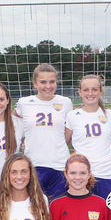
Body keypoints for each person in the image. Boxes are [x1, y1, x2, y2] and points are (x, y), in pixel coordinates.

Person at [15, 64, 73, 199]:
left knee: (57, 209)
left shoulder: (65, 102)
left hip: (60, 163)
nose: (48, 86)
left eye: (52, 81)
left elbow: (71, 127)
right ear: (35, 83)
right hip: (34, 164)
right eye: (43, 82)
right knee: (36, 208)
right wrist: (23, 140)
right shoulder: (24, 103)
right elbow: (15, 122)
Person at [65, 74, 111, 199]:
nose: (90, 93)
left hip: (106, 173)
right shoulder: (72, 115)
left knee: (108, 213)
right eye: (86, 90)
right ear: (80, 92)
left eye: (94, 89)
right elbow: (65, 141)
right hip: (82, 175)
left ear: (100, 92)